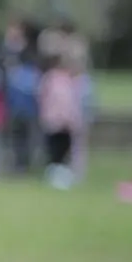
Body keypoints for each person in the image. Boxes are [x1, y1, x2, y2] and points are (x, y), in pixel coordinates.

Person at [38, 54, 81, 189]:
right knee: (54, 149)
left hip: (66, 123)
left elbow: (73, 102)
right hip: (54, 121)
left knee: (64, 149)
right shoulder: (51, 79)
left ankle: (63, 175)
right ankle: (54, 175)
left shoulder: (70, 81)